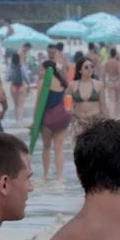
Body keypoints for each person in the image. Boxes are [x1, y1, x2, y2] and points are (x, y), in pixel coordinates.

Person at [34, 50, 73, 181]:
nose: (39, 72)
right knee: (59, 148)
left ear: (47, 70)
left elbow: (38, 105)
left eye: (41, 70)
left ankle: (45, 175)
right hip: (62, 117)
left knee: (46, 147)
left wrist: (34, 123)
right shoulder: (62, 82)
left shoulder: (42, 83)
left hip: (48, 118)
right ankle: (60, 176)